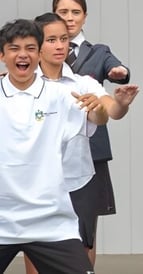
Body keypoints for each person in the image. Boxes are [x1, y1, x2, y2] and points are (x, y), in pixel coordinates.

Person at [23, 13, 139, 273]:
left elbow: (107, 113)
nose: (60, 45)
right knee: (36, 253)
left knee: (80, 256)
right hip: (35, 185)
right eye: (51, 40)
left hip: (79, 182)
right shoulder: (23, 85)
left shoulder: (83, 83)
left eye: (64, 39)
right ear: (37, 45)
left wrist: (118, 103)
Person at [0, 19, 108, 274]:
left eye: (30, 48)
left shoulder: (59, 95)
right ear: (2, 55)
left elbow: (97, 118)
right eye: (14, 49)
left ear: (39, 53)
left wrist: (102, 108)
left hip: (50, 221)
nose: (23, 55)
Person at [52, 0, 131, 265]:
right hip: (50, 152)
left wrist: (118, 73)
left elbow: (116, 71)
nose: (70, 18)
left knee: (86, 230)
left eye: (76, 12)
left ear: (85, 17)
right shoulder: (38, 59)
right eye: (63, 12)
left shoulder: (98, 52)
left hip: (91, 149)